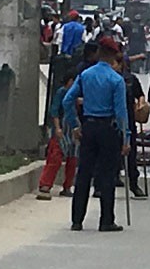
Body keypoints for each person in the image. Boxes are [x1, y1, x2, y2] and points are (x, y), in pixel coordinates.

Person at [63, 36, 130, 232]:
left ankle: (77, 220)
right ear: (114, 55)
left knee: (84, 173)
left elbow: (68, 100)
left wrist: (75, 124)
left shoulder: (85, 75)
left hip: (88, 128)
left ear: (99, 52)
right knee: (107, 175)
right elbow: (121, 113)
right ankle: (106, 220)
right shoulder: (116, 80)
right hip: (108, 129)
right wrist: (126, 138)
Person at [37, 71, 78, 200]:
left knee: (73, 159)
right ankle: (45, 185)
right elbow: (55, 111)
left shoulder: (76, 94)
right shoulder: (61, 93)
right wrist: (58, 128)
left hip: (73, 130)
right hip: (62, 128)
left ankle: (67, 186)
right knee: (55, 157)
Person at [119, 54, 147, 197]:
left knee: (132, 154)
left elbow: (140, 94)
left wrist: (141, 104)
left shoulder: (131, 79)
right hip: (113, 121)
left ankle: (134, 184)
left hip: (129, 119)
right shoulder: (109, 79)